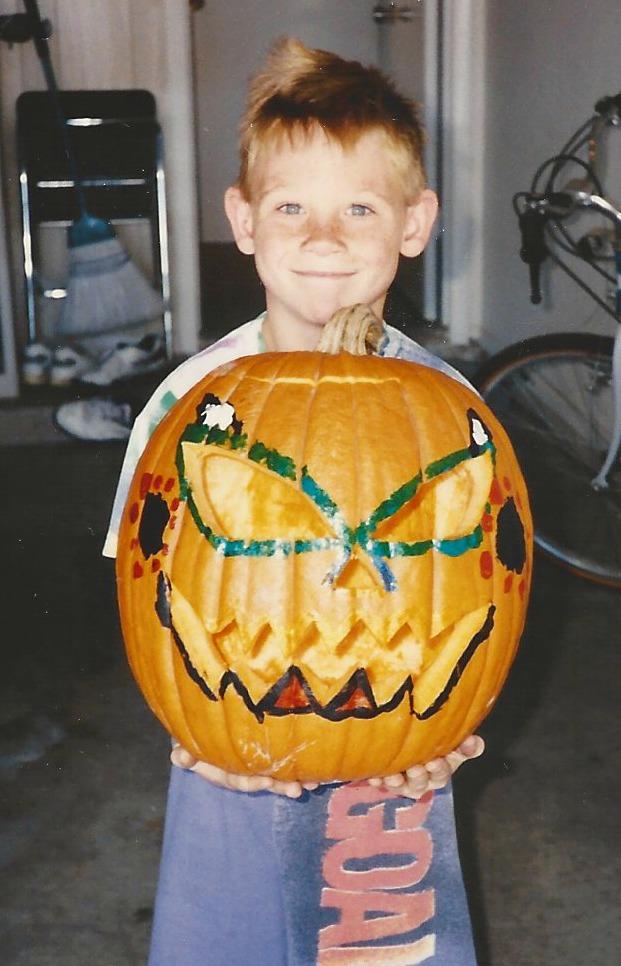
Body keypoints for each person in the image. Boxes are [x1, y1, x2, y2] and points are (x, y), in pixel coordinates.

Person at [104, 38, 485, 965]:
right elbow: (146, 573)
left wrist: (456, 733)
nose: (324, 237)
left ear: (414, 221)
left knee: (379, 947)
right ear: (242, 220)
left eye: (359, 206)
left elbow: (482, 594)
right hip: (231, 748)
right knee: (231, 933)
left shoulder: (457, 414)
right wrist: (182, 718)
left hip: (392, 758)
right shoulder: (192, 404)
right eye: (291, 207)